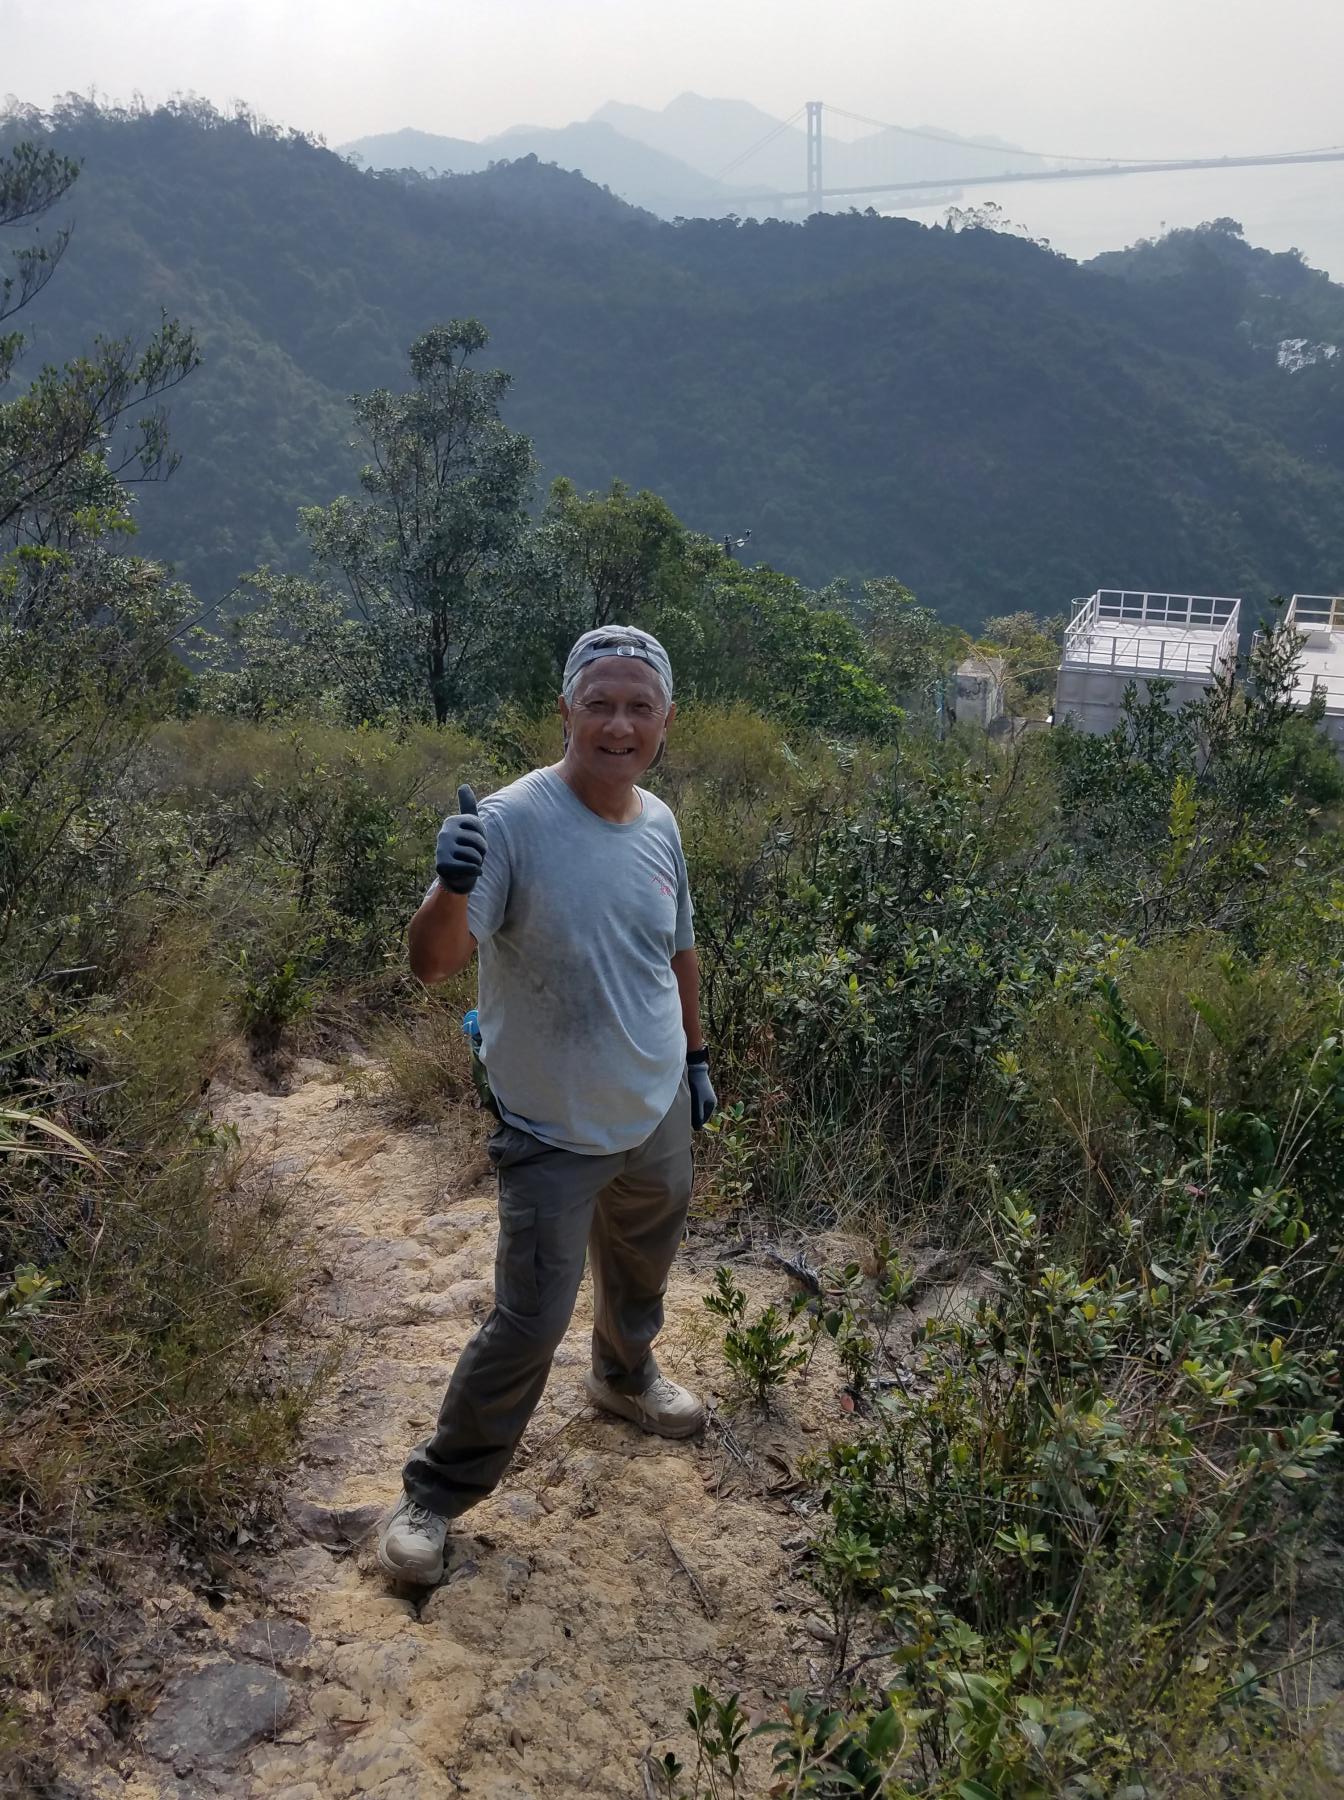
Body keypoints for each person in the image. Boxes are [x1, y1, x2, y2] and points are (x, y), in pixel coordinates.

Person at [378, 626, 717, 1585]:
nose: (619, 724)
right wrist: (450, 885)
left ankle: (623, 1377)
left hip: (654, 1104)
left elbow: (678, 950)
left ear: (666, 720)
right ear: (566, 710)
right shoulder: (512, 822)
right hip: (552, 1127)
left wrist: (695, 1059)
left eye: (639, 706)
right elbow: (433, 963)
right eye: (599, 703)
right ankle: (436, 1494)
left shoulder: (660, 822)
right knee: (529, 1322)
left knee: (641, 1266)